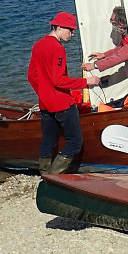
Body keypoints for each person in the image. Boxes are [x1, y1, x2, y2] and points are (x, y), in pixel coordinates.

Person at [28, 12, 100, 174]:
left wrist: (43, 92)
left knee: (48, 140)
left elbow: (31, 75)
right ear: (59, 27)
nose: (72, 34)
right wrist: (86, 82)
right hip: (62, 103)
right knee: (75, 142)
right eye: (70, 30)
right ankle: (54, 176)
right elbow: (58, 80)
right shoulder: (58, 49)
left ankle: (45, 174)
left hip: (45, 103)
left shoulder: (38, 45)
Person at [81, 6, 128, 109]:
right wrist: (104, 55)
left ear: (120, 24)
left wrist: (94, 65)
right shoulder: (127, 34)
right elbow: (121, 48)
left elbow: (120, 56)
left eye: (112, 22)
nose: (112, 25)